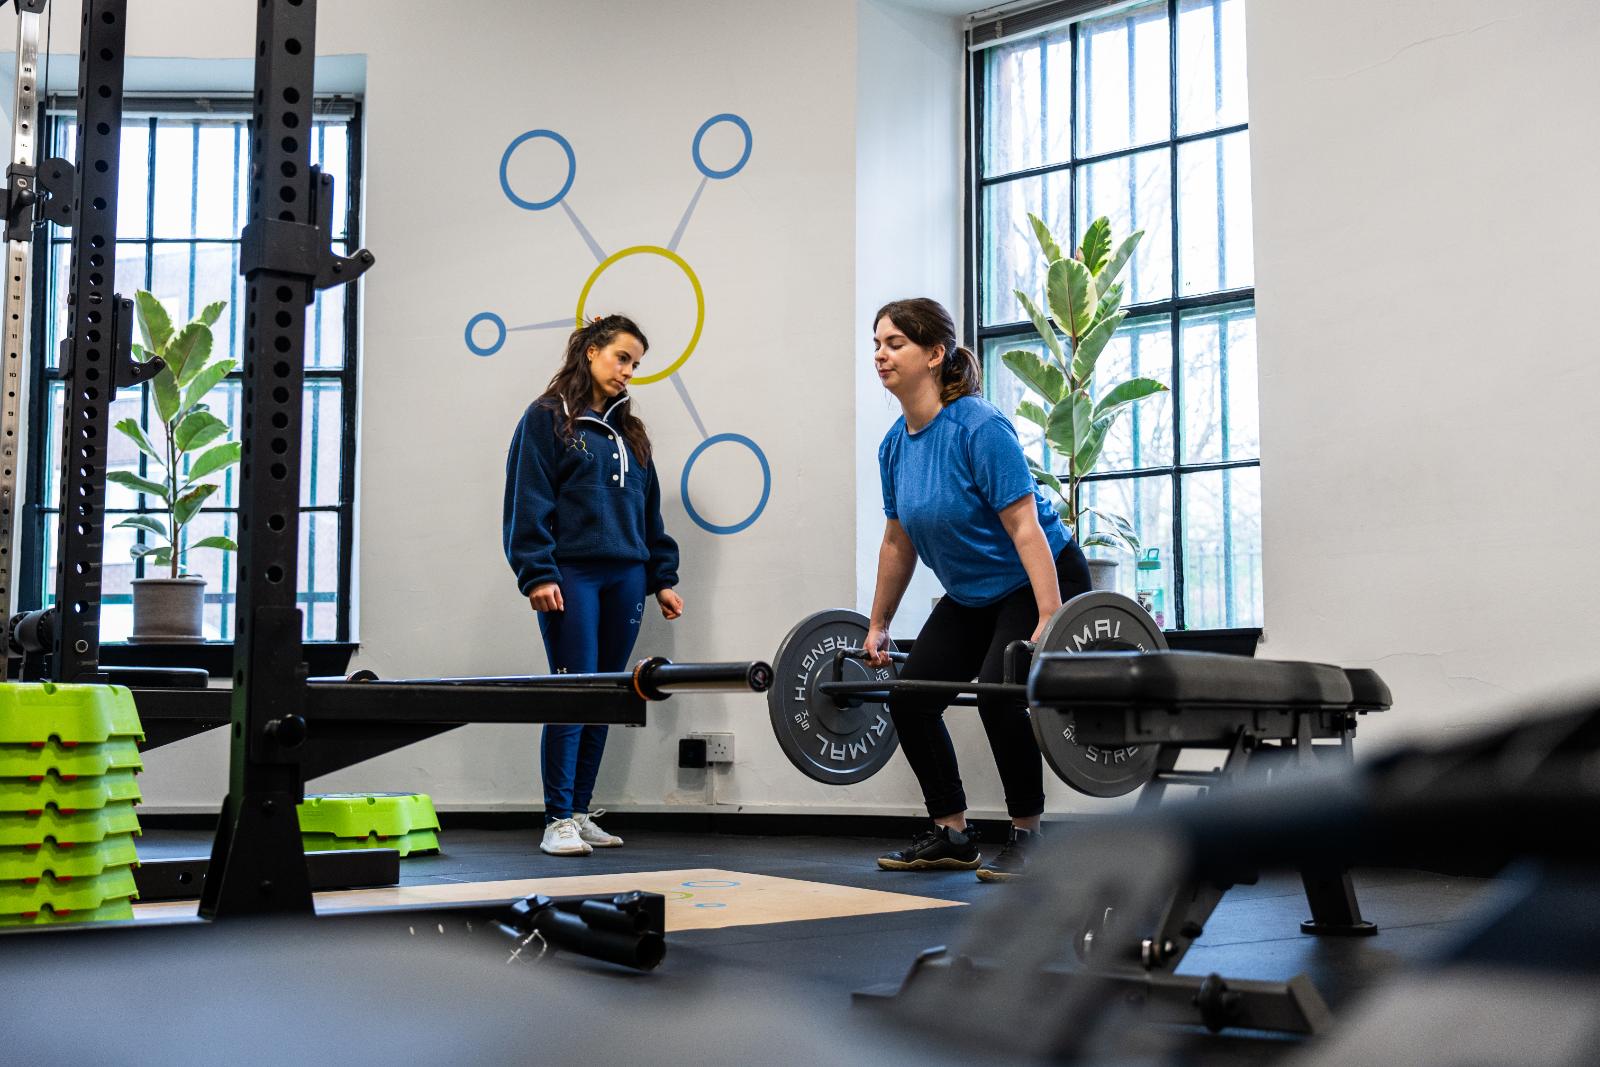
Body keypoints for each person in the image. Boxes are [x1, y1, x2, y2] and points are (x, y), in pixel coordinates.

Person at [864, 298, 1089, 882]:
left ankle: (1029, 837)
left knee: (998, 691)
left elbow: (1025, 527)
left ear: (935, 355)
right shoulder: (894, 445)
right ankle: (952, 833)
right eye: (877, 343)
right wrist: (878, 623)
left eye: (895, 344)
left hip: (1038, 577)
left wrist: (1049, 616)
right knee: (910, 699)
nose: (881, 355)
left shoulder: (979, 427)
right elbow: (897, 543)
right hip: (971, 593)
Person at [503, 314, 683, 857]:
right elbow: (527, 499)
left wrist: (662, 579)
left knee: (607, 697)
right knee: (571, 692)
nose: (628, 371)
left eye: (635, 364)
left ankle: (580, 813)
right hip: (572, 576)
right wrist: (537, 572)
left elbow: (648, 515)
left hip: (625, 577)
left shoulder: (631, 432)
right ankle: (555, 818)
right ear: (591, 352)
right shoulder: (546, 419)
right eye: (622, 358)